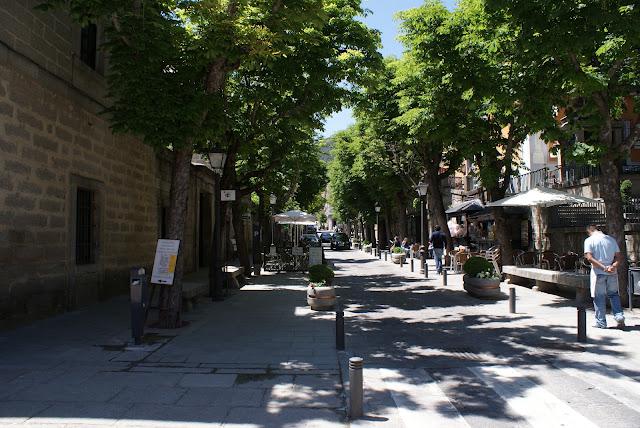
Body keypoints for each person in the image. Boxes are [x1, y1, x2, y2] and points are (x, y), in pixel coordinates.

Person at [584, 224, 625, 329]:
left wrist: (603, 267)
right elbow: (619, 257)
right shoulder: (611, 240)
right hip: (612, 272)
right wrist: (612, 266)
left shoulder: (589, 240)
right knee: (614, 295)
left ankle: (601, 322)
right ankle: (619, 316)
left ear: (589, 231)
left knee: (599, 297)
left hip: (598, 273)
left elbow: (589, 257)